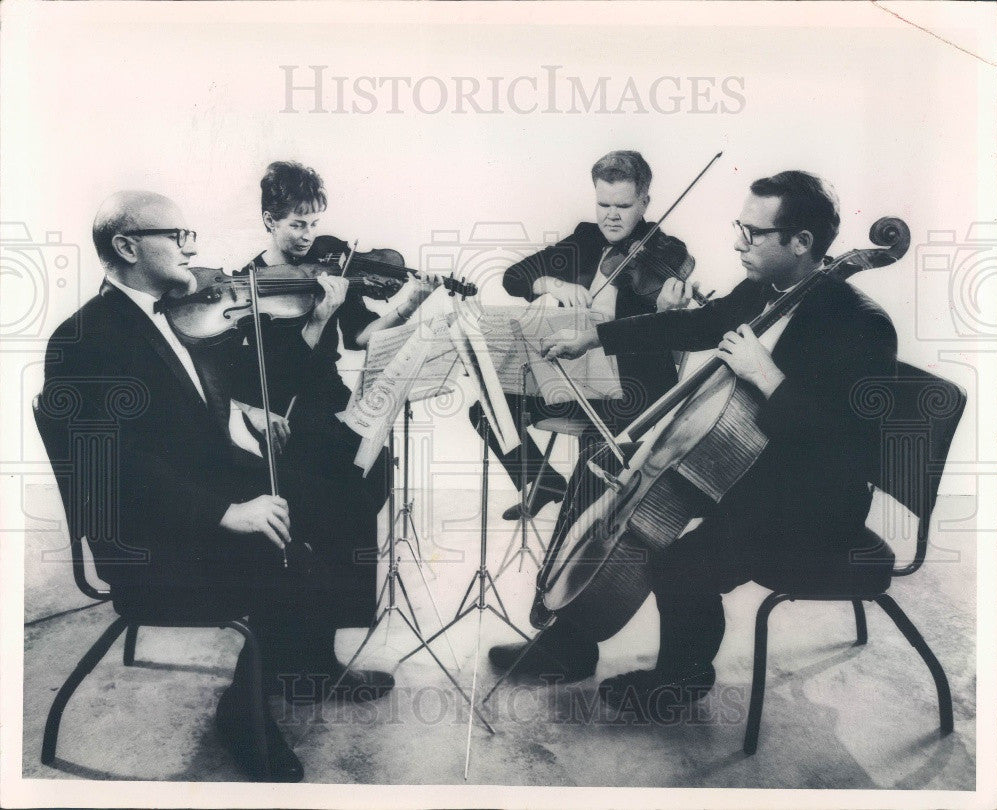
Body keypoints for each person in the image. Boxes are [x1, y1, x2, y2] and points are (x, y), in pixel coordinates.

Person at [489, 171, 898, 712]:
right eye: (740, 228)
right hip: (755, 469)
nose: (737, 243)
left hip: (812, 500)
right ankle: (569, 644)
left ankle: (680, 682)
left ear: (801, 243)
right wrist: (597, 334)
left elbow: (845, 446)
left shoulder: (859, 324)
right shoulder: (767, 291)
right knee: (618, 496)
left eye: (754, 233)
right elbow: (704, 325)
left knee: (676, 559)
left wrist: (767, 377)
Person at [42, 191, 394, 783]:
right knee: (287, 531)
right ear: (127, 247)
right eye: (177, 237)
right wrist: (226, 511)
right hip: (150, 543)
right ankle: (244, 713)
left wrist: (241, 406)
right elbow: (116, 467)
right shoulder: (86, 338)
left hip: (188, 497)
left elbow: (172, 412)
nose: (193, 247)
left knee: (343, 486)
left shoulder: (160, 314)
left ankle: (306, 662)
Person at [472, 150, 695, 520]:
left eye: (623, 205)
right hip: (575, 381)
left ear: (644, 203)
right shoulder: (584, 241)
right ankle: (542, 483)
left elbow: (662, 326)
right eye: (603, 203)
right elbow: (513, 277)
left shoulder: (666, 252)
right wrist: (552, 284)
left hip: (632, 390)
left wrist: (667, 311)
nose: (611, 215)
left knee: (591, 470)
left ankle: (576, 523)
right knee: (487, 410)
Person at [223, 160, 440, 506]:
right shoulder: (249, 283)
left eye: (314, 224)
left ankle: (348, 556)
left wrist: (413, 301)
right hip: (286, 411)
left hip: (333, 398)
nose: (308, 235)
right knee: (333, 486)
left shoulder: (329, 262)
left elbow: (360, 337)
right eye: (297, 224)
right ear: (269, 221)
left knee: (375, 468)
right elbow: (277, 374)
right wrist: (319, 318)